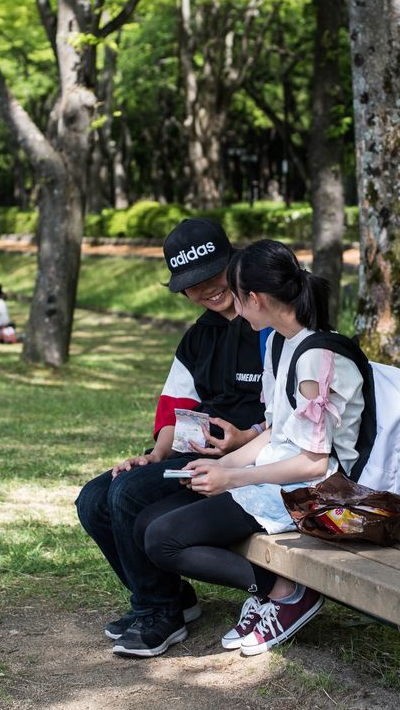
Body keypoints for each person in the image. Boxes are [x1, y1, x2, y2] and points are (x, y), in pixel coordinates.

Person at [140, 239, 365, 658]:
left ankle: (287, 594)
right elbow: (278, 431)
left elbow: (313, 461)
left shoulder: (315, 358)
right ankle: (273, 592)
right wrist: (222, 465)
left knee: (162, 539)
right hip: (278, 472)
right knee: (150, 519)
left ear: (256, 299)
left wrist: (234, 477)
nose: (235, 311)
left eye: (238, 298)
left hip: (319, 489)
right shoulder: (279, 342)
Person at [76, 218, 267, 659]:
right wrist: (156, 455)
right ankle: (173, 598)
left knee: (127, 494)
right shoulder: (198, 336)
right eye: (193, 283)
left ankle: (158, 612)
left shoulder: (268, 324)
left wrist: (241, 439)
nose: (207, 289)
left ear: (234, 264)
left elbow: (287, 414)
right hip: (191, 454)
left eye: (214, 274)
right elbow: (175, 405)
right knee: (93, 498)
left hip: (248, 461)